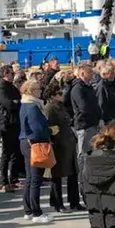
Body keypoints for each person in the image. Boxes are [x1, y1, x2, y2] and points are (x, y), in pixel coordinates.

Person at [43, 81, 81, 213]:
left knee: (73, 174)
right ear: (52, 96)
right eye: (59, 93)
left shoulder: (61, 106)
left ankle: (74, 202)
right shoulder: (50, 108)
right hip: (58, 144)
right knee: (57, 175)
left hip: (68, 142)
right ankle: (58, 203)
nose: (62, 95)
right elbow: (48, 126)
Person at [19, 79, 52, 223]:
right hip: (34, 143)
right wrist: (50, 131)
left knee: (30, 178)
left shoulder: (25, 104)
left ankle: (28, 210)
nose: (41, 91)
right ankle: (36, 212)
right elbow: (37, 128)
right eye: (38, 88)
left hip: (26, 142)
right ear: (31, 91)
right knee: (35, 179)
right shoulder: (32, 106)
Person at [0, 66, 22, 192]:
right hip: (6, 124)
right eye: (11, 73)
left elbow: (20, 100)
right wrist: (16, 102)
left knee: (16, 152)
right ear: (5, 74)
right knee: (6, 153)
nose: (13, 75)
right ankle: (4, 181)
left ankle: (13, 179)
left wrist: (17, 102)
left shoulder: (11, 86)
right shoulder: (0, 88)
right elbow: (9, 104)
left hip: (15, 122)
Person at [70, 62, 102, 177]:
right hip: (84, 125)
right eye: (90, 72)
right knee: (83, 153)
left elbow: (95, 104)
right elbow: (84, 107)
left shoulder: (88, 87)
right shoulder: (78, 88)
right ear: (82, 73)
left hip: (92, 124)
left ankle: (89, 174)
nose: (92, 75)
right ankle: (81, 178)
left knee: (92, 151)